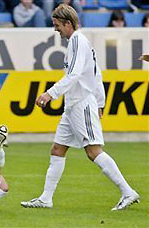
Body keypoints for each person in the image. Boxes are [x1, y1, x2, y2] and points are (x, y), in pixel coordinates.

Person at [21, 4, 139, 211]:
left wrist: (50, 94)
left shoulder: (77, 41)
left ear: (68, 23)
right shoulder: (80, 42)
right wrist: (101, 101)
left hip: (81, 103)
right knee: (57, 149)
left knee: (93, 151)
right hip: (73, 105)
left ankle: (127, 191)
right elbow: (96, 72)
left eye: (57, 24)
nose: (55, 29)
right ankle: (46, 199)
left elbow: (74, 75)